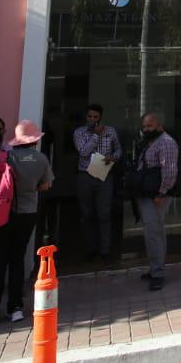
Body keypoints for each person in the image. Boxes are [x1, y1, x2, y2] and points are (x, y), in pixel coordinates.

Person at [0, 119, 53, 327]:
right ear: (34, 140)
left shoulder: (5, 157)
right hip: (27, 213)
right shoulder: (41, 159)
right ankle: (16, 308)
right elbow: (45, 185)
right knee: (17, 259)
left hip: (1, 214)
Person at [135, 112, 178, 291]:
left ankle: (158, 274)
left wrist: (161, 193)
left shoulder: (166, 143)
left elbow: (169, 171)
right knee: (153, 232)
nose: (146, 130)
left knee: (154, 233)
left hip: (157, 196)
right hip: (148, 194)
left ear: (159, 126)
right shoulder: (151, 142)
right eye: (144, 127)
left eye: (149, 126)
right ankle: (154, 269)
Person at [73, 103, 121, 263]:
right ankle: (90, 249)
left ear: (100, 117)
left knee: (104, 213)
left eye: (96, 117)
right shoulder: (79, 132)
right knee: (87, 214)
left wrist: (114, 156)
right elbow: (84, 152)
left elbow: (118, 149)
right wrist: (96, 135)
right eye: (90, 116)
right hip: (85, 176)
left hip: (104, 175)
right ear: (85, 117)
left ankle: (105, 250)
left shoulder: (111, 131)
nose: (93, 119)